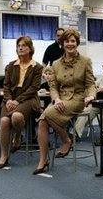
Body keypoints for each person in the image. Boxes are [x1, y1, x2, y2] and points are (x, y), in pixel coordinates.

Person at [33, 29, 96, 175]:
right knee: (42, 121)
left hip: (77, 98)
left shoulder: (85, 61)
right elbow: (53, 86)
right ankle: (45, 158)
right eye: (67, 41)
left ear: (77, 43)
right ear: (62, 43)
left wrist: (91, 96)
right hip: (60, 98)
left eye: (73, 41)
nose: (70, 44)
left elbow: (90, 84)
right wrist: (56, 99)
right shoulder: (55, 64)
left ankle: (66, 140)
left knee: (46, 116)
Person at [0, 36, 43, 169]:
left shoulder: (37, 67)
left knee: (17, 117)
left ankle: (17, 137)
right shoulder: (11, 65)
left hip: (28, 98)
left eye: (24, 45)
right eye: (19, 46)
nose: (21, 48)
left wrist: (17, 101)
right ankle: (4, 155)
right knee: (5, 121)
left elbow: (34, 88)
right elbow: (6, 85)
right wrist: (9, 99)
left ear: (30, 49)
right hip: (10, 98)